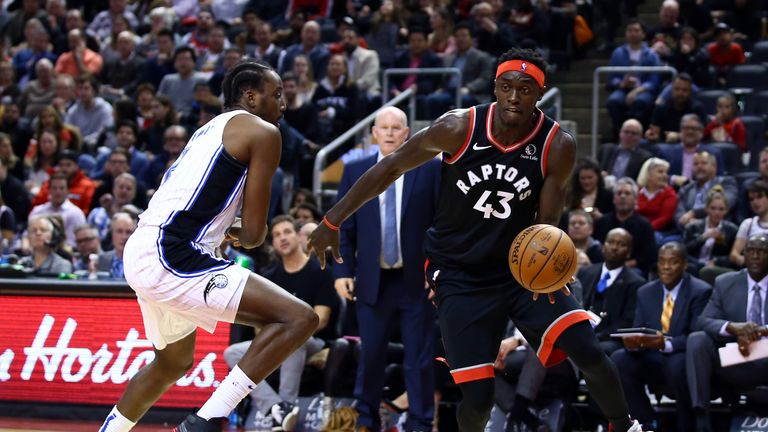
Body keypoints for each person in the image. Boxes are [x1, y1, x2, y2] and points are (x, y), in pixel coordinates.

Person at [309, 48, 643, 432]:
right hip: (459, 274)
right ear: (495, 87)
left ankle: (625, 425)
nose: (515, 97)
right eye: (507, 87)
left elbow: (546, 224)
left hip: (520, 270)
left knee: (585, 346)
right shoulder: (458, 127)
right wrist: (333, 220)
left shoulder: (556, 145)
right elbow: (391, 166)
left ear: (541, 92)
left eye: (526, 88)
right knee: (479, 398)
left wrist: (551, 268)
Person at [97, 60, 320, 432]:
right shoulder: (264, 132)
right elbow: (253, 235)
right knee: (299, 318)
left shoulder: (207, 130)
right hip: (172, 251)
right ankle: (206, 421)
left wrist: (226, 230)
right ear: (250, 97)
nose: (283, 104)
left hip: (144, 245)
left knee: (172, 363)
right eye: (276, 95)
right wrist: (240, 233)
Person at [332, 106, 440, 431]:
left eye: (397, 127)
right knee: (372, 355)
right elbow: (342, 227)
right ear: (374, 133)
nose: (391, 133)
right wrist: (341, 273)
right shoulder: (355, 171)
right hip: (371, 280)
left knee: (419, 359)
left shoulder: (430, 170)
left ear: (407, 133)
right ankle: (366, 420)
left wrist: (437, 273)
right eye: (385, 127)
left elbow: (441, 227)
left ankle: (419, 422)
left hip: (415, 282)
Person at [223, 215, 338, 431]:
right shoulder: (269, 276)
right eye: (276, 235)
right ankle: (277, 409)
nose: (282, 238)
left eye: (287, 232)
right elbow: (259, 325)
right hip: (280, 338)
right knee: (232, 353)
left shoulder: (320, 272)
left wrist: (285, 330)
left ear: (298, 236)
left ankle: (288, 404)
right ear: (272, 244)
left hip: (315, 342)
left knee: (295, 335)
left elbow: (321, 319)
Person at [611, 242, 711, 431]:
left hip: (680, 353)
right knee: (619, 359)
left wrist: (665, 344)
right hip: (650, 354)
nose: (666, 267)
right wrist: (634, 343)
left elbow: (696, 334)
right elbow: (638, 327)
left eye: (672, 262)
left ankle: (687, 423)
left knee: (678, 365)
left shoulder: (700, 291)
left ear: (684, 265)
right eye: (662, 262)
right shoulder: (645, 291)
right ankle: (646, 421)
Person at [686, 233, 768, 432]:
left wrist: (762, 331)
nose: (755, 256)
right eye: (751, 251)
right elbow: (704, 321)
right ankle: (701, 417)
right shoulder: (725, 282)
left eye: (762, 252)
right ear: (744, 255)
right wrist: (732, 327)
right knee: (698, 340)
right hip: (735, 358)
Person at [578, 228, 645, 355]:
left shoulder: (636, 283)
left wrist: (597, 336)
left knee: (598, 349)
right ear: (603, 247)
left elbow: (627, 321)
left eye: (621, 244)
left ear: (629, 253)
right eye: (611, 242)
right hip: (582, 332)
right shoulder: (586, 272)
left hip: (610, 338)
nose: (614, 247)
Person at [97, 212, 136, 279]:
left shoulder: (141, 261)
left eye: (128, 232)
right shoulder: (101, 260)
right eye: (119, 231)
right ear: (112, 233)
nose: (124, 237)